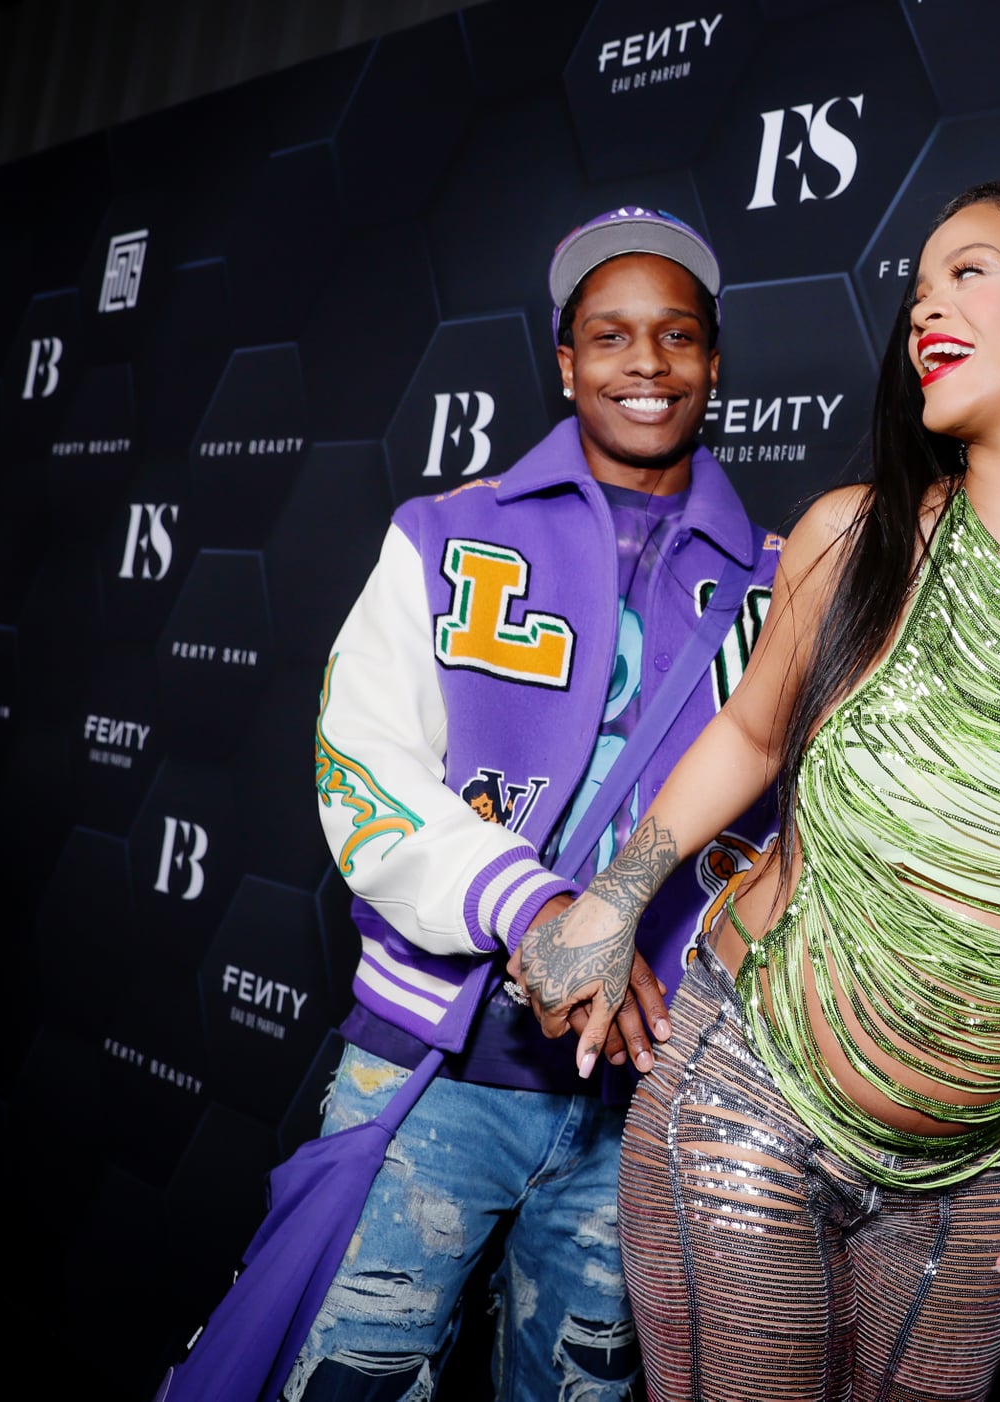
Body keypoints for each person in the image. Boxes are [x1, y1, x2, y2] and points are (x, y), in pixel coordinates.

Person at [516, 181, 1000, 1400]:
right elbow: (751, 736)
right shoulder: (853, 534)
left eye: (966, 272)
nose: (924, 307)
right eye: (913, 289)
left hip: (991, 1165)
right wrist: (611, 900)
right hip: (747, 1093)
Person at [295, 206, 780, 1400]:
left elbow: (800, 828)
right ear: (564, 363)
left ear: (715, 361)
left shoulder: (787, 578)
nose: (646, 364)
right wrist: (533, 908)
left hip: (650, 1104)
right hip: (437, 1069)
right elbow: (361, 766)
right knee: (353, 1380)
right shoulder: (446, 533)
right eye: (610, 336)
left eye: (677, 336)